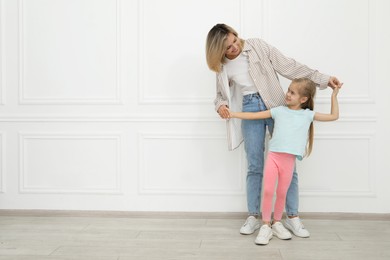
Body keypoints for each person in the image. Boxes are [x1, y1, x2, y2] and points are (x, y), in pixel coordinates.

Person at [205, 23, 342, 237]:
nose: (234, 47)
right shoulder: (222, 66)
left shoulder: (257, 46)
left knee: (288, 164)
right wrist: (221, 106)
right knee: (254, 165)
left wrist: (323, 79)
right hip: (250, 107)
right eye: (228, 47)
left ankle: (292, 217)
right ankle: (254, 216)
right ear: (218, 51)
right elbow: (220, 95)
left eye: (234, 40)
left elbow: (290, 66)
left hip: (278, 106)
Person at [228, 78, 341, 245]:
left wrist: (334, 95)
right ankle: (265, 225)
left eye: (292, 92)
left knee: (281, 192)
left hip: (288, 161)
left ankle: (277, 222)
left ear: (303, 99)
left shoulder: (307, 115)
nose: (287, 94)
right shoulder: (278, 111)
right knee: (268, 190)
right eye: (288, 90)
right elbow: (253, 115)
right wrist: (232, 114)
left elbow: (334, 116)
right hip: (274, 157)